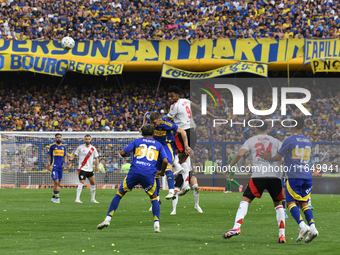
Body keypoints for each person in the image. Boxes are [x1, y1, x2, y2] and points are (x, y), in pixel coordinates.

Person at [97, 124, 168, 233]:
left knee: (119, 194)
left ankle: (107, 219)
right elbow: (165, 161)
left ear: (142, 133)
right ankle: (156, 225)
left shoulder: (137, 141)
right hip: (149, 173)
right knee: (154, 198)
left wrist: (128, 154)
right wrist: (162, 172)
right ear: (153, 133)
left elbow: (122, 153)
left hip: (134, 172)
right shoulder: (158, 145)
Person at [223, 122, 286, 243]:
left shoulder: (251, 140)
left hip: (258, 175)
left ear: (256, 130)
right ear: (267, 130)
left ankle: (236, 227)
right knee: (278, 205)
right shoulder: (276, 141)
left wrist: (230, 167)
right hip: (275, 176)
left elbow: (240, 154)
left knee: (245, 200)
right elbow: (283, 157)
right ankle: (282, 235)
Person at [260, 117, 318, 243]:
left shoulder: (290, 140)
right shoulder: (308, 141)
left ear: (292, 126)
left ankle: (302, 226)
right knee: (304, 203)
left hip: (294, 175)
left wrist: (268, 158)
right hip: (307, 175)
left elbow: (278, 157)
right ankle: (313, 228)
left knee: (290, 202)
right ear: (303, 127)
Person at [166, 86, 216, 195]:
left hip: (182, 133)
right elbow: (198, 108)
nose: (170, 98)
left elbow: (167, 120)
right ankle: (184, 184)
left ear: (177, 96)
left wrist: (157, 124)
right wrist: (211, 116)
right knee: (183, 158)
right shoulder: (185, 101)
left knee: (177, 156)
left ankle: (183, 183)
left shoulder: (174, 106)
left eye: (172, 96)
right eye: (169, 96)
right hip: (192, 133)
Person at [146, 111, 191, 200]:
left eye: (154, 123)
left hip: (167, 145)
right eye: (151, 123)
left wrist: (186, 146)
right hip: (157, 146)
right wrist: (143, 126)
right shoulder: (149, 117)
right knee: (155, 171)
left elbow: (182, 131)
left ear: (159, 120)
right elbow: (145, 115)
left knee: (167, 165)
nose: (152, 124)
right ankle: (157, 198)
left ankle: (171, 191)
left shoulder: (166, 124)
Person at [68, 134, 102, 203]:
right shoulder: (80, 147)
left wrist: (97, 166)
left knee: (93, 183)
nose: (87, 140)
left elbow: (96, 158)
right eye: (86, 139)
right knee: (82, 182)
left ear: (90, 139)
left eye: (88, 139)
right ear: (84, 140)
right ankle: (77, 199)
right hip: (82, 168)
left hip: (90, 169)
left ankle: (93, 199)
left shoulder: (93, 148)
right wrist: (71, 158)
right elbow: (75, 154)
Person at [47, 133, 67, 203]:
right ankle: (57, 198)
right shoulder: (52, 146)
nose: (59, 138)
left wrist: (65, 163)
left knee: (58, 183)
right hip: (54, 167)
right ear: (55, 138)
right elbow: (48, 156)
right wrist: (49, 165)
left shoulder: (63, 147)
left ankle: (53, 197)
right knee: (56, 181)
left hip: (60, 167)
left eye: (60, 137)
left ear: (61, 138)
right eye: (57, 137)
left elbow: (65, 156)